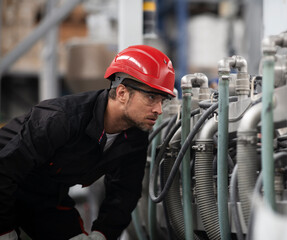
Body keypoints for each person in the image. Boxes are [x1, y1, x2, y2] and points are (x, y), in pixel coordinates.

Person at [0, 45, 175, 240]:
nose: (159, 109)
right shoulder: (61, 119)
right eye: (151, 97)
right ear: (122, 93)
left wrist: (103, 234)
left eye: (163, 100)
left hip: (45, 196)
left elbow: (125, 192)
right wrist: (4, 230)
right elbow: (5, 169)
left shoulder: (134, 136)